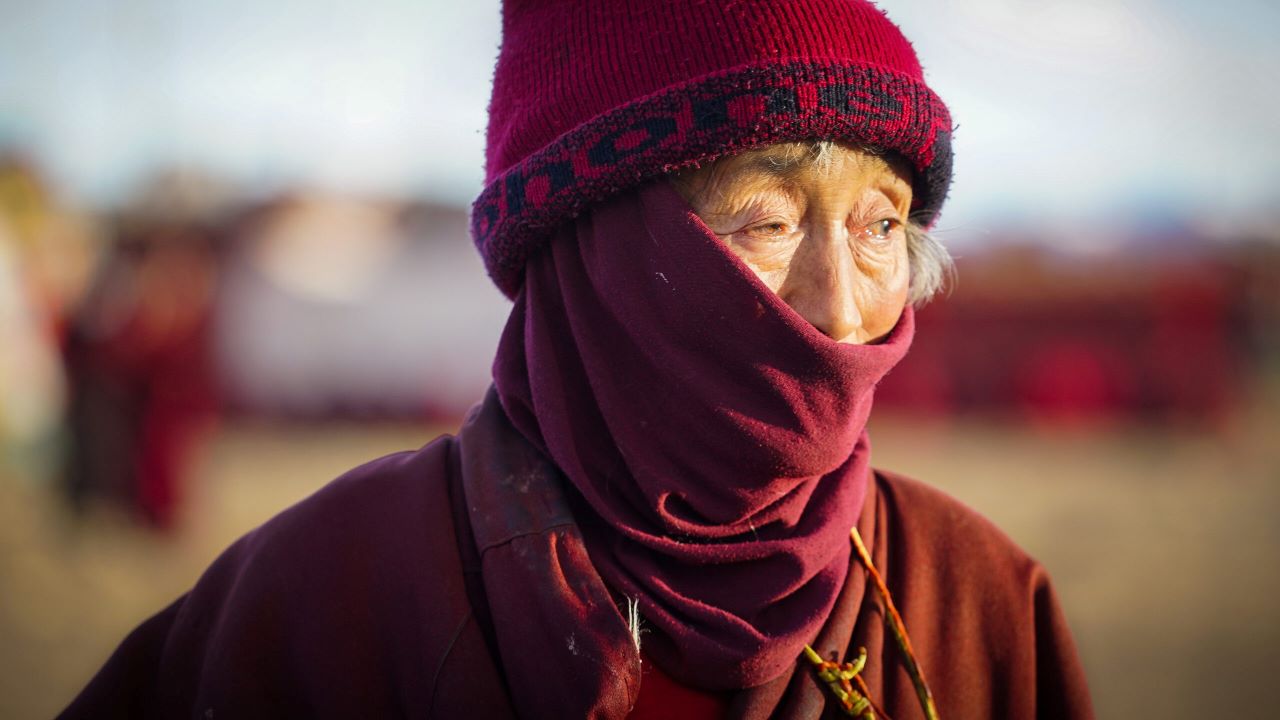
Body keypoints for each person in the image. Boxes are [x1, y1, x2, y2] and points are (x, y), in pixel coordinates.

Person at [61, 1, 1094, 718]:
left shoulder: (976, 605)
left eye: (880, 226)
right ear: (591, 253)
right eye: (765, 219)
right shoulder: (323, 600)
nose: (837, 310)